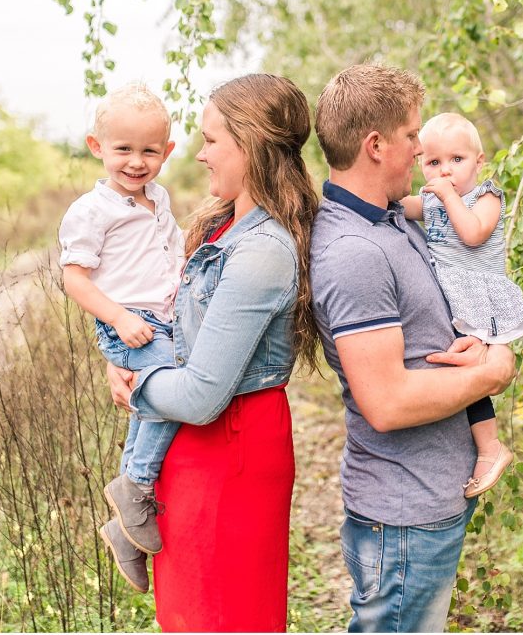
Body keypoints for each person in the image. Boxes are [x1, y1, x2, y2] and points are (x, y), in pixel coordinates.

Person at [105, 73, 319, 632]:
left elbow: (201, 395)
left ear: (250, 145)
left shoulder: (263, 250)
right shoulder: (224, 227)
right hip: (194, 448)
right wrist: (122, 356)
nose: (201, 156)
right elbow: (172, 320)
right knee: (189, 614)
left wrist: (138, 383)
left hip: (232, 449)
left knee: (224, 616)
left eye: (212, 140)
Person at [310, 63, 516, 633]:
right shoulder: (354, 250)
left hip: (426, 500)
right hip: (404, 515)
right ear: (376, 146)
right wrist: (494, 369)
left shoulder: (391, 220)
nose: (421, 147)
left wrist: (472, 343)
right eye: (411, 137)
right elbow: (388, 402)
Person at [58, 83, 182, 591]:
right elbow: (74, 278)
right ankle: (136, 486)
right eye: (123, 149)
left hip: (164, 319)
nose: (136, 161)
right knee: (173, 392)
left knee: (148, 405)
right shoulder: (92, 211)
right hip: (125, 321)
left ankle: (123, 529)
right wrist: (120, 319)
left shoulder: (160, 198)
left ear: (167, 152)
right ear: (97, 147)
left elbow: (169, 257)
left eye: (149, 150)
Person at [401, 112, 523, 497]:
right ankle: (478, 448)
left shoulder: (485, 196)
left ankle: (491, 447)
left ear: (479, 161)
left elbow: (474, 234)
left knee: (473, 373)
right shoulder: (433, 200)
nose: (445, 172)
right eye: (433, 163)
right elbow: (392, 206)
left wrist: (444, 196)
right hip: (450, 297)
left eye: (457, 160)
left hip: (480, 298)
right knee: (457, 371)